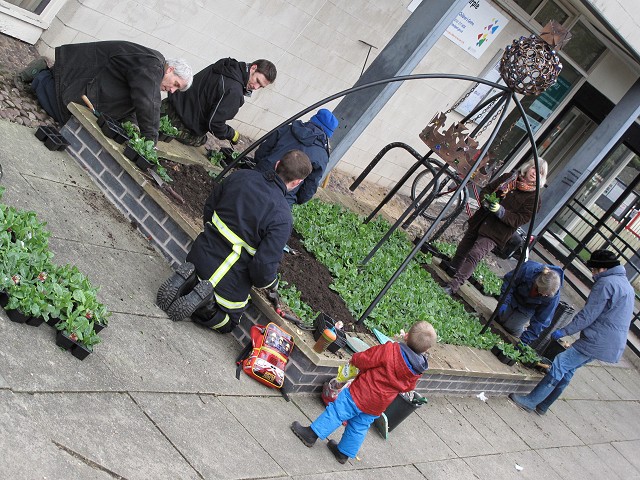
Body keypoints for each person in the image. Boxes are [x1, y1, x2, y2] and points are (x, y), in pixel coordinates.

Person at [156, 150, 312, 333]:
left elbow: (209, 208)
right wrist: (270, 284)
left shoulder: (241, 176)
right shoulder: (282, 216)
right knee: (229, 323)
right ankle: (205, 304)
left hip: (199, 255)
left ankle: (189, 280)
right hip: (224, 281)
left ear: (277, 164)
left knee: (203, 273)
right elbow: (262, 266)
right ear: (297, 183)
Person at [290, 321, 437, 464]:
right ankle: (343, 453)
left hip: (361, 393)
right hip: (378, 405)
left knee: (337, 412)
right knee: (360, 425)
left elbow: (367, 359)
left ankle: (311, 434)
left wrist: (355, 360)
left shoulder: (390, 350)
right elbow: (407, 388)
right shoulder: (418, 369)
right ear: (425, 350)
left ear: (406, 336)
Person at [509, 249, 634, 415]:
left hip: (597, 341)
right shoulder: (625, 285)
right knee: (568, 370)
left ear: (602, 269)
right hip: (611, 343)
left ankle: (531, 401)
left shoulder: (606, 284)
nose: (592, 274)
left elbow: (588, 315)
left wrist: (564, 331)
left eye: (594, 270)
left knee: (560, 364)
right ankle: (543, 405)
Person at [16, 41, 193, 143]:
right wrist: (150, 141)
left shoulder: (151, 70)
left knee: (82, 122)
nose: (172, 90)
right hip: (79, 74)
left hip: (93, 83)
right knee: (65, 115)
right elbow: (147, 101)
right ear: (170, 70)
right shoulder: (152, 65)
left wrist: (133, 125)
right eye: (176, 84)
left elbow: (136, 101)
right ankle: (41, 74)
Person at [443, 158, 548, 295]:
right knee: (464, 246)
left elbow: (520, 219)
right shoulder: (509, 178)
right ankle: (451, 270)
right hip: (481, 219)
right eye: (534, 169)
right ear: (528, 167)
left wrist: (501, 212)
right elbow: (487, 189)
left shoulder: (534, 199)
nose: (535, 174)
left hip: (497, 232)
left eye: (540, 173)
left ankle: (453, 286)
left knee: (475, 253)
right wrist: (486, 201)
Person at [162, 58, 277, 146]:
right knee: (202, 140)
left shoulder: (227, 64)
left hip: (166, 105)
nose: (255, 87)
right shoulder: (234, 91)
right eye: (257, 80)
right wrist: (231, 134)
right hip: (179, 124)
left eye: (260, 86)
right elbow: (214, 124)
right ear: (253, 68)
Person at [254, 108, 339, 207]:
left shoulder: (287, 129)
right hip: (283, 197)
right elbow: (309, 187)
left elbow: (261, 153)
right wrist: (296, 198)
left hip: (258, 178)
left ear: (313, 119)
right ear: (328, 134)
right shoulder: (322, 155)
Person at [497, 261, 563, 345]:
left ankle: (519, 331)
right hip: (514, 296)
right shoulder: (529, 269)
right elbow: (509, 282)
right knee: (500, 317)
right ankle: (504, 314)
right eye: (543, 293)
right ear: (537, 283)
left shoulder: (553, 297)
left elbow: (541, 321)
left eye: (547, 295)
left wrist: (525, 340)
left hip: (527, 309)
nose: (545, 295)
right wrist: (504, 302)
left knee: (511, 327)